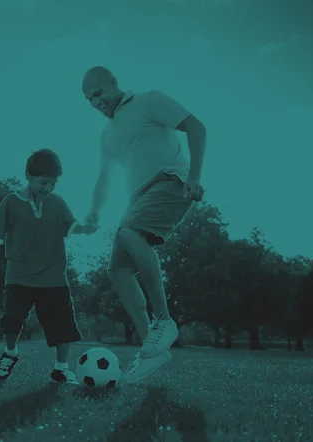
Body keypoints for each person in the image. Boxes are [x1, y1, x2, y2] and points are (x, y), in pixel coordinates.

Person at [81, 66, 207, 383]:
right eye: (89, 99)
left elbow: (196, 127)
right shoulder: (107, 134)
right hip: (137, 198)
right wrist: (95, 211)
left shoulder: (148, 101)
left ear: (113, 83)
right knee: (118, 271)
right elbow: (103, 178)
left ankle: (163, 320)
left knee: (129, 232)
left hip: (169, 182)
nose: (95, 102)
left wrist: (194, 176)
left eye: (98, 93)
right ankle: (152, 351)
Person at [0, 148, 98, 385]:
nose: (48, 188)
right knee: (12, 319)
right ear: (29, 176)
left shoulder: (57, 203)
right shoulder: (10, 203)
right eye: (44, 182)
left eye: (53, 184)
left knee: (63, 324)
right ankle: (10, 353)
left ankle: (61, 369)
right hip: (19, 275)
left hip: (53, 275)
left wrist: (87, 228)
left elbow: (71, 227)